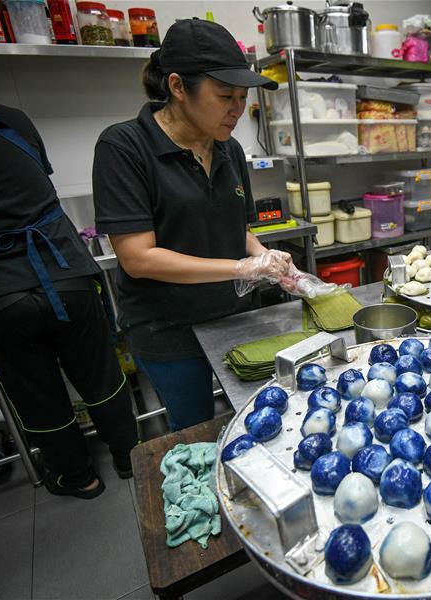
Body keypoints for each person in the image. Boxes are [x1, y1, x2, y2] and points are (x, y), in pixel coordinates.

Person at [92, 19, 289, 431]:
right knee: (197, 429)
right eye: (225, 96)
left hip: (236, 317)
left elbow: (238, 229)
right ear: (178, 87)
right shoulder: (125, 147)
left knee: (255, 417)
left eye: (242, 97)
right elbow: (138, 258)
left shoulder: (229, 149)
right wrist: (241, 268)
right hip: (169, 331)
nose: (237, 109)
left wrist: (265, 258)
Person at [0, 98, 138, 499]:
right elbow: (39, 180)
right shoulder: (7, 117)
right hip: (66, 272)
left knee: (36, 393)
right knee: (101, 373)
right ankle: (130, 457)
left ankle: (77, 477)